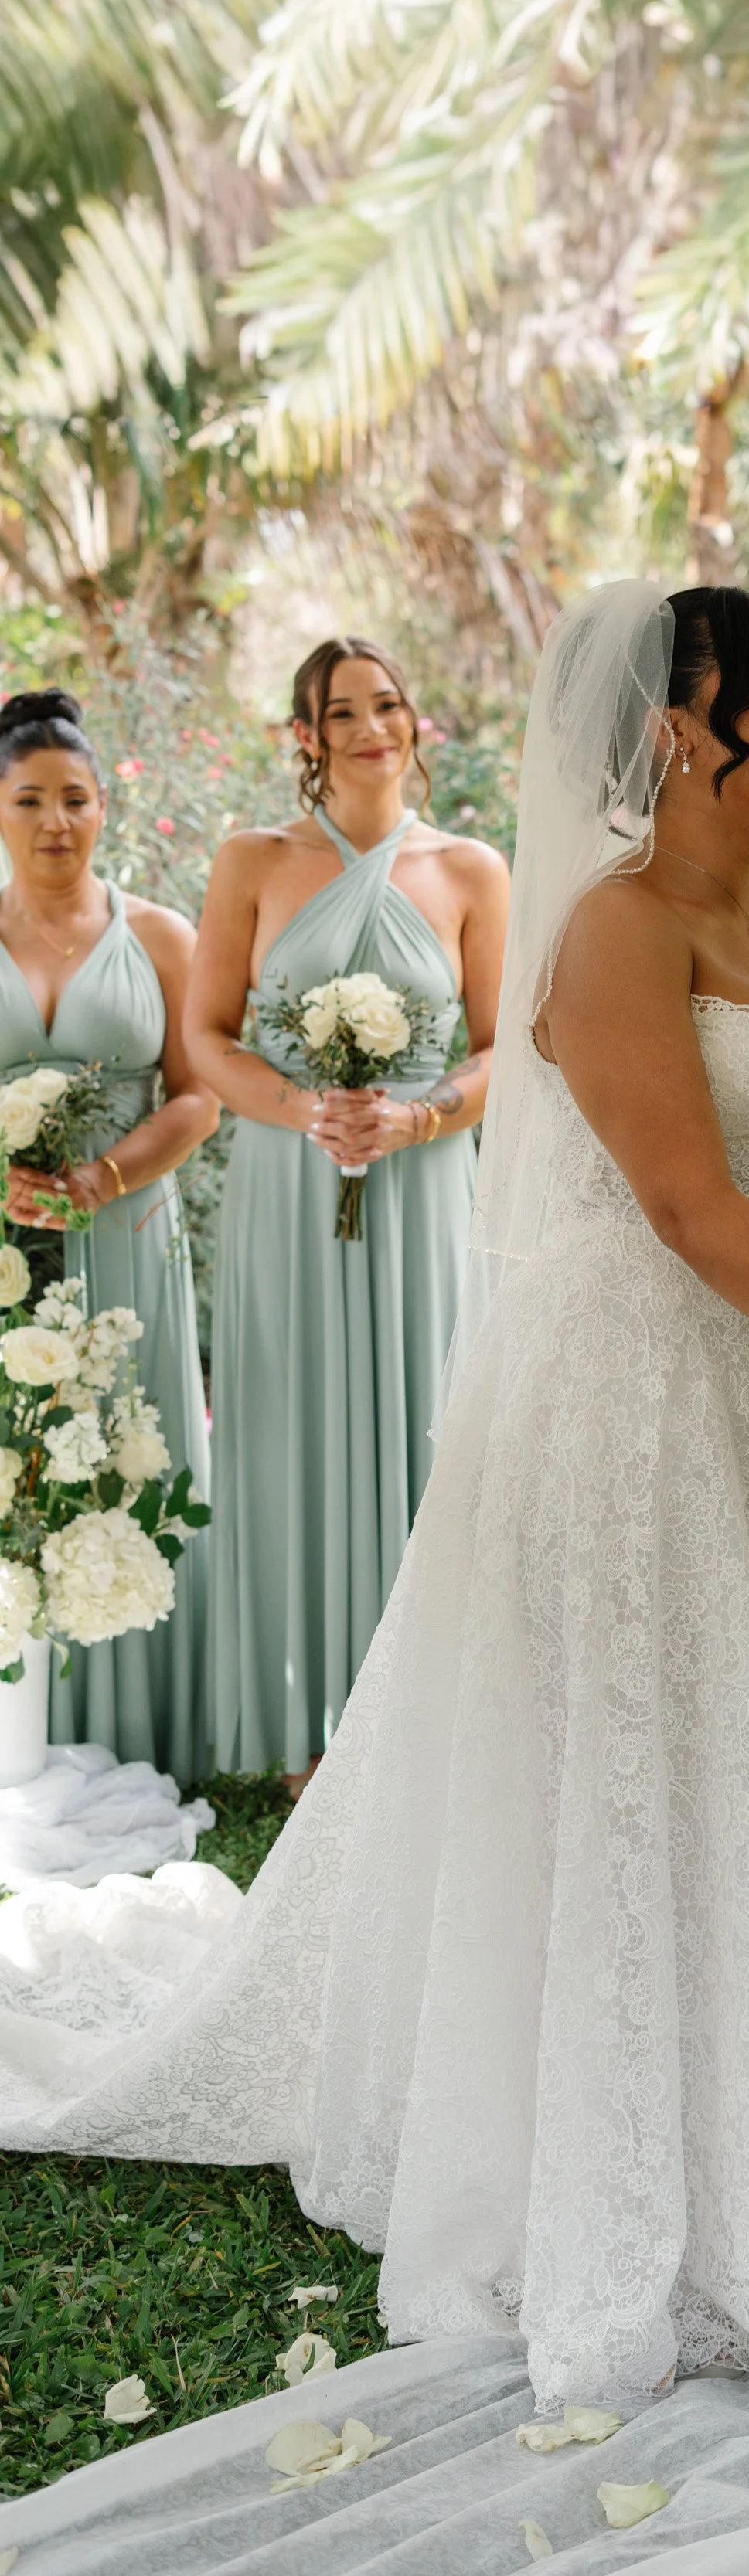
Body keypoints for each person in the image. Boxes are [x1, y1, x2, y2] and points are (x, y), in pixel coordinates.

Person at [0, 580, 749, 2426]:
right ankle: (645, 2207)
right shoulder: (610, 938)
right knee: (650, 1775)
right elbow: (697, 1213)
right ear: (671, 736)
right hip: (647, 1400)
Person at [188, 636, 507, 1786]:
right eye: (346, 712)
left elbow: (502, 1051)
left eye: (391, 704)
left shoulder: (471, 870)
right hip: (288, 1185)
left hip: (423, 1196)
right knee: (291, 1432)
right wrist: (300, 1109)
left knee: (427, 1431)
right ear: (306, 738)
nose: (376, 726)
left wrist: (417, 1120)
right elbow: (204, 1038)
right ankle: (307, 1736)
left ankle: (421, 1740)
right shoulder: (252, 861)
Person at [0, 688, 220, 1779]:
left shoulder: (164, 937)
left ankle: (151, 1726)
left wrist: (103, 1175)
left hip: (128, 1234)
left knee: (133, 1456)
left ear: (103, 809)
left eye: (74, 799)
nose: (55, 821)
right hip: (4, 1253)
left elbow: (196, 1095)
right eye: (29, 799)